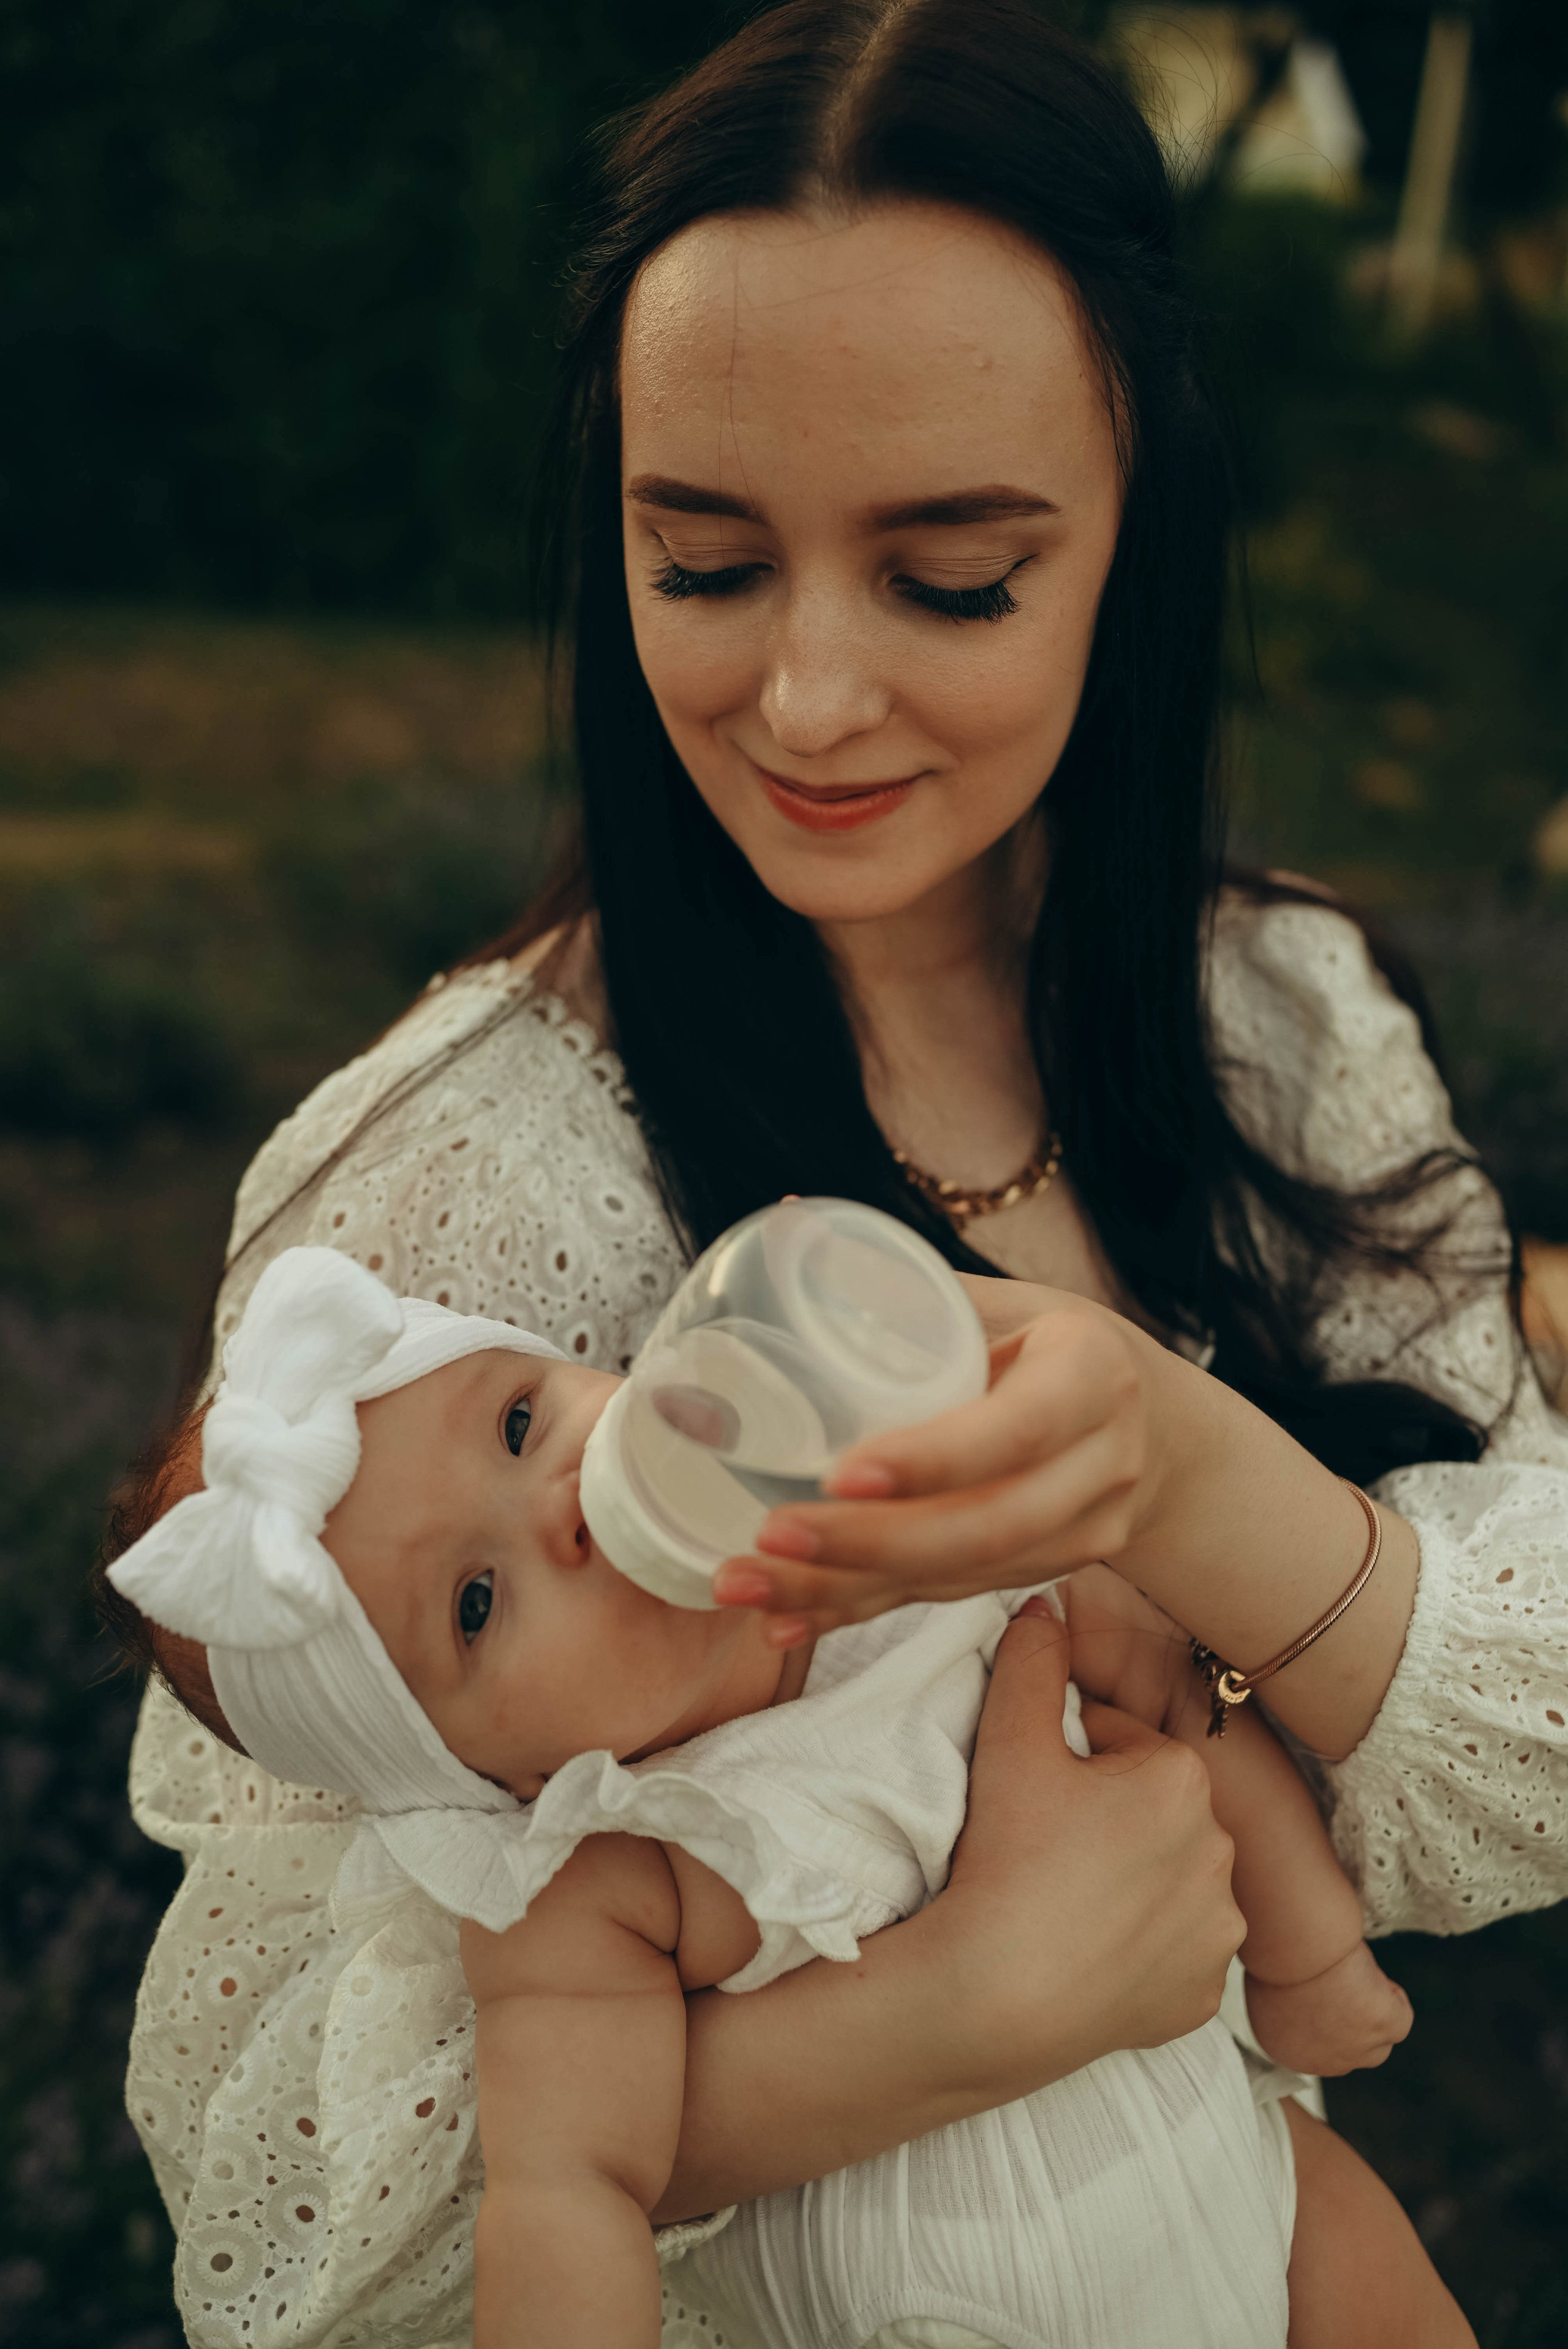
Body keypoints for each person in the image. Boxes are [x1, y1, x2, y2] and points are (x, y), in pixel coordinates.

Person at [108, 5, 1568, 2347]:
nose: (802, 702)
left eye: (953, 579)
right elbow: (282, 2215)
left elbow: (1528, 1751)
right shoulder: (449, 1196)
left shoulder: (1277, 1013)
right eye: (702, 562)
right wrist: (943, 2021)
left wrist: (1181, 1463)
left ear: (1138, 537)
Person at [104, 1245, 1440, 2349]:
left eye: (519, 1423)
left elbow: (1178, 1710)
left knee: (1361, 2256)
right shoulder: (608, 1867)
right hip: (938, 2318)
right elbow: (570, 2187)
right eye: (476, 1601)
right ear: (489, 1779)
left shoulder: (914, 1563)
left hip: (1239, 2184)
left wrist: (1308, 1948)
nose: (561, 1502)